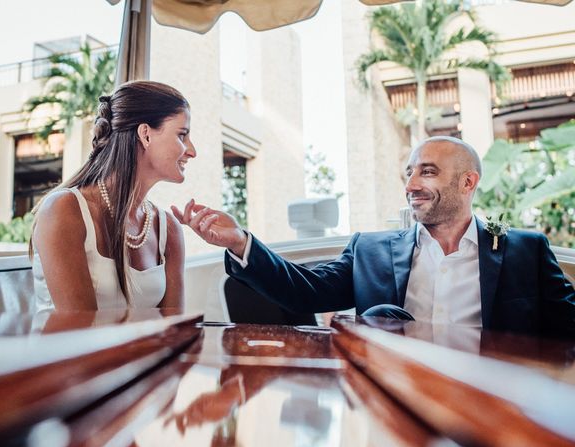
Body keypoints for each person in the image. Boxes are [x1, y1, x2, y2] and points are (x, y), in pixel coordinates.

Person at [172, 136, 575, 337]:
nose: (412, 185)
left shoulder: (526, 252)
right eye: (410, 173)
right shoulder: (370, 250)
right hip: (391, 402)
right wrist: (240, 241)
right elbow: (303, 292)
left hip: (493, 410)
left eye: (428, 172)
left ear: (468, 182)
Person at [32, 81, 196, 312]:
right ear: (145, 135)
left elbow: (174, 331)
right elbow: (80, 331)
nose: (192, 151)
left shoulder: (168, 228)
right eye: (182, 135)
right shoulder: (64, 210)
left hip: (146, 349)